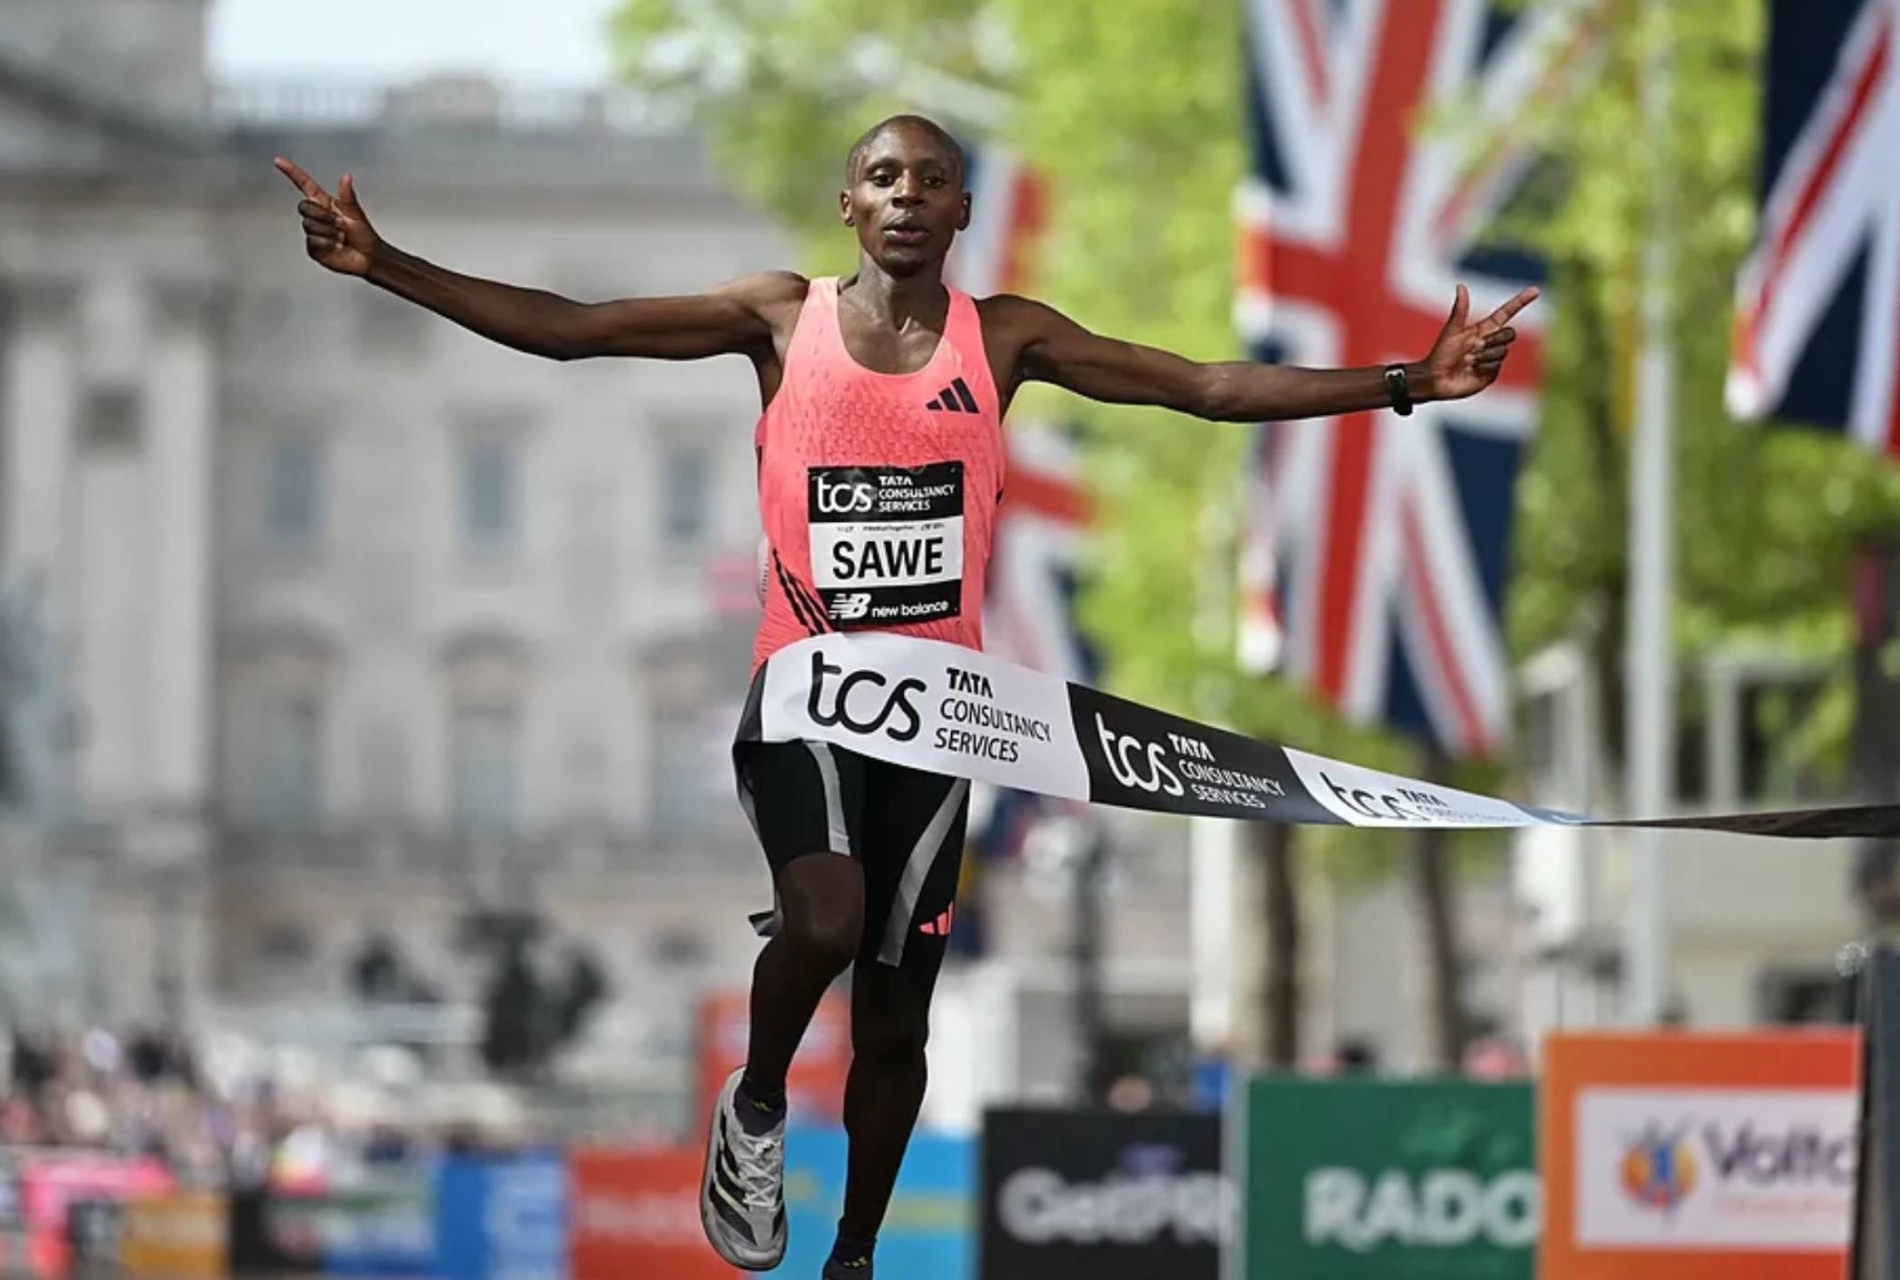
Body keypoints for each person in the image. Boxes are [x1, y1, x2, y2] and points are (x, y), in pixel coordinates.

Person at [275, 114, 1532, 1278]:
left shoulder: (1011, 337)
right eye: (885, 177)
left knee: (893, 1016)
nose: (907, 196)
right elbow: (571, 327)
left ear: (963, 208)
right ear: (848, 206)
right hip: (807, 695)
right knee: (821, 918)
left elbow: (1202, 387)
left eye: (931, 179)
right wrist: (386, 263)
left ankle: (855, 1251)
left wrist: (1405, 382)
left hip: (938, 720)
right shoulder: (779, 320)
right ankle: (755, 1106)